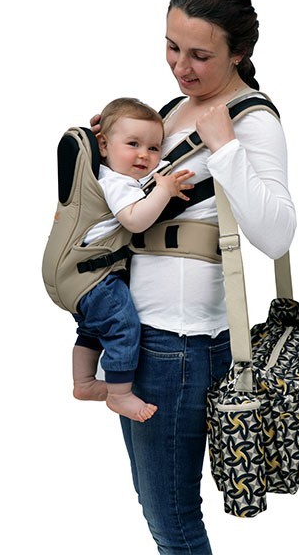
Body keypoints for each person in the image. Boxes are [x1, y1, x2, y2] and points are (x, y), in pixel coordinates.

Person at [89, 0, 296, 553]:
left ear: (239, 53)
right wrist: (110, 144)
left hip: (180, 343)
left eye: (200, 55)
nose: (181, 66)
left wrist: (225, 146)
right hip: (142, 332)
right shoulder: (174, 109)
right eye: (172, 47)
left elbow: (277, 234)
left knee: (172, 517)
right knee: (161, 508)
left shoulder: (252, 120)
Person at [72, 97, 195, 423]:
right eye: (133, 144)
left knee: (92, 329)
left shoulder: (107, 173)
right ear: (103, 144)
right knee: (123, 325)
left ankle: (83, 382)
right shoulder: (117, 183)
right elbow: (135, 220)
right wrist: (164, 190)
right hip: (96, 276)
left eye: (154, 148)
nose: (144, 155)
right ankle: (119, 394)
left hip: (81, 276)